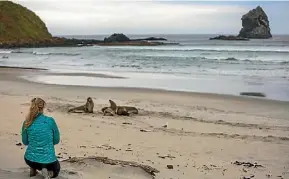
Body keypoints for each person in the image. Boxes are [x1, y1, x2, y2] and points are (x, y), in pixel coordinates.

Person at [21, 98, 60, 178]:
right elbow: (56, 141)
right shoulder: (50, 121)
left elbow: (25, 142)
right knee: (56, 169)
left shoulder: (27, 122)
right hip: (48, 161)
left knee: (34, 156)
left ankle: (33, 169)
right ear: (43, 107)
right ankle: (47, 172)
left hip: (29, 159)